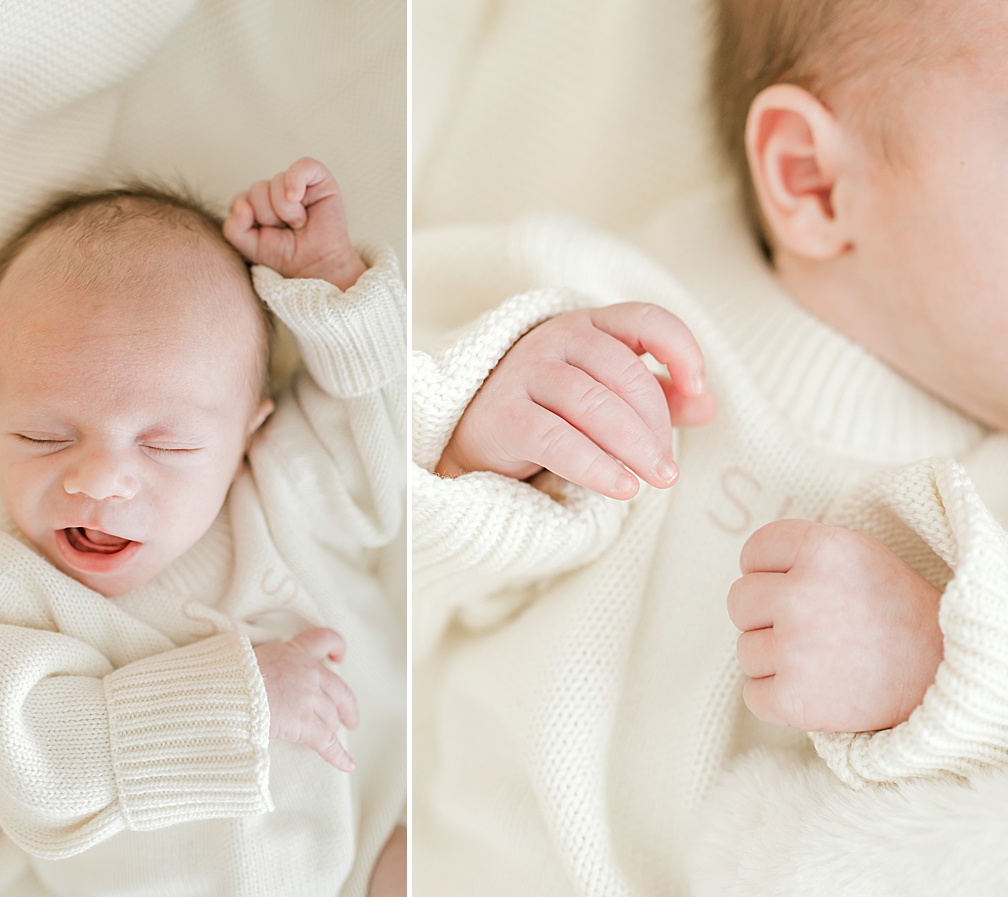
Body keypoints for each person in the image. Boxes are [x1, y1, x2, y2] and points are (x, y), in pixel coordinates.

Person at [414, 0, 1008, 892]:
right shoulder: (604, 313)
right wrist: (473, 439)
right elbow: (356, 510)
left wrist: (945, 669)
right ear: (812, 180)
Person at [0, 158, 406, 896]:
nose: (97, 481)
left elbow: (378, 429)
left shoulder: (281, 487)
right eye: (43, 436)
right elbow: (38, 763)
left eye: (166, 445)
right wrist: (241, 701)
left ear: (248, 431)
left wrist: (328, 285)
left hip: (372, 836)